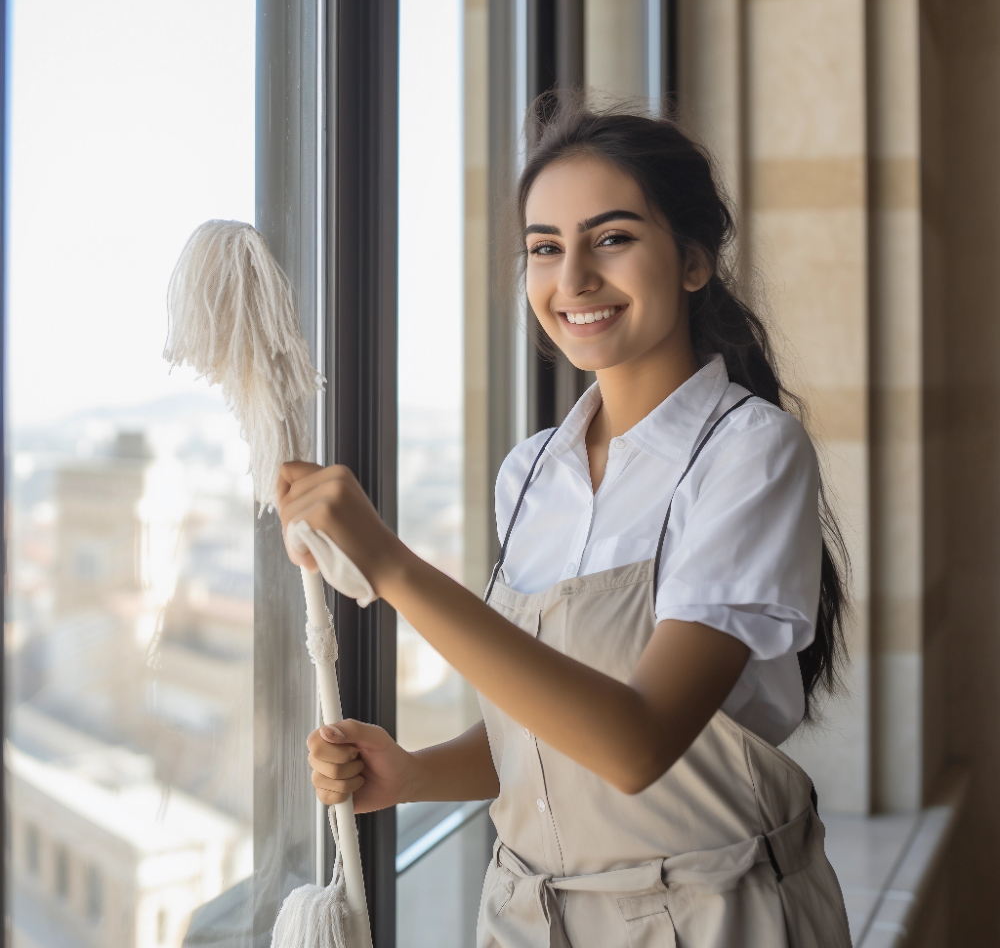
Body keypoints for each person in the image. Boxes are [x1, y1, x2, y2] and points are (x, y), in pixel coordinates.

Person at [278, 99, 853, 947]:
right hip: (527, 918)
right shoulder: (532, 470)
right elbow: (549, 732)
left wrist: (391, 564)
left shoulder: (751, 452)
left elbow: (635, 743)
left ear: (694, 261)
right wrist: (413, 773)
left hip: (710, 919)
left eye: (612, 238)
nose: (573, 277)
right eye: (545, 248)